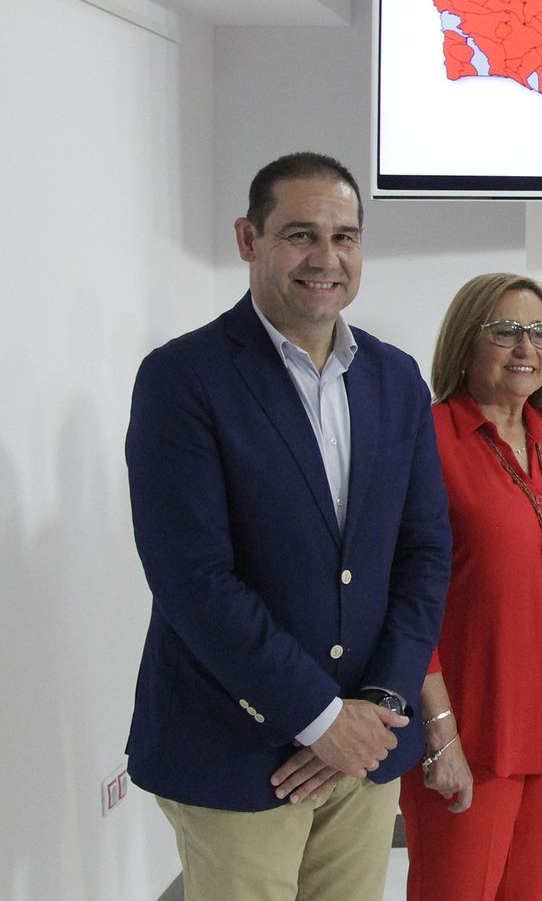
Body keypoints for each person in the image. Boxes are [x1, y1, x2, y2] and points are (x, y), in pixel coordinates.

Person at [124, 151, 452, 901]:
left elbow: (425, 551)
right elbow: (193, 579)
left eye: (345, 237)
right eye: (300, 234)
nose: (326, 258)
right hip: (237, 747)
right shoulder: (184, 378)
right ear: (249, 238)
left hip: (367, 745)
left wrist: (382, 705)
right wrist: (319, 717)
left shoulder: (395, 377)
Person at [399, 273, 542, 900]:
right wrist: (438, 731)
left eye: (540, 332)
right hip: (469, 728)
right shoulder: (428, 438)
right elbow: (404, 600)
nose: (527, 347)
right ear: (465, 342)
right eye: (505, 331)